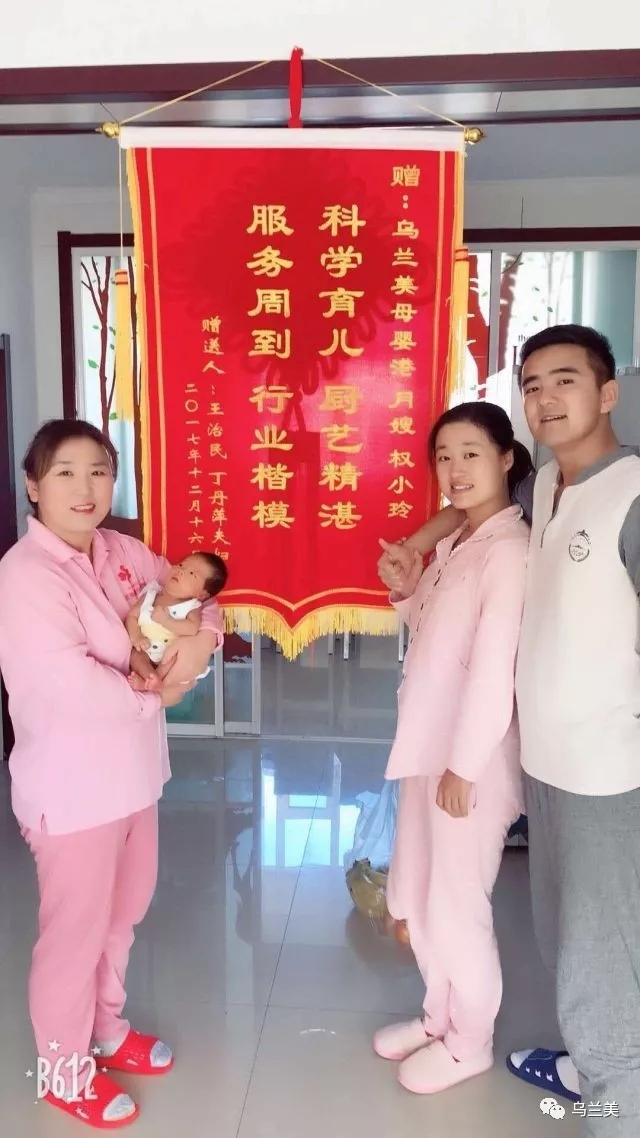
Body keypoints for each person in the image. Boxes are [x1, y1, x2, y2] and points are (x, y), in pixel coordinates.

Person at [379, 325, 640, 1135]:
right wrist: (413, 559)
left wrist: (466, 761)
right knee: (552, 927)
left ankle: (612, 1102)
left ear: (608, 392)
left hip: (596, 763)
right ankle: (522, 1040)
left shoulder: (623, 497)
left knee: (597, 941)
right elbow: (464, 531)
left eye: (566, 380)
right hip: (536, 756)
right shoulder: (545, 489)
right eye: (532, 385)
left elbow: (493, 664)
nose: (546, 398)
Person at [0, 419, 224, 1130]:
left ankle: (106, 1028)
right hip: (72, 792)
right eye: (64, 472)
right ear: (33, 485)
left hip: (134, 778)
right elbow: (66, 684)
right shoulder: (24, 575)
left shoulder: (122, 551)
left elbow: (200, 597)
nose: (85, 487)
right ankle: (63, 1072)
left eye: (98, 470)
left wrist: (194, 651)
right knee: (74, 935)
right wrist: (158, 692)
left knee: (122, 917)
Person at [373, 401, 531, 1095]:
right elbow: (438, 634)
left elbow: (496, 670)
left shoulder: (511, 551)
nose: (455, 468)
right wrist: (407, 592)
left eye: (471, 453)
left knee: (457, 904)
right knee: (419, 889)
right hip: (428, 746)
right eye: (444, 455)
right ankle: (439, 1015)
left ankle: (471, 1044)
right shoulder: (459, 542)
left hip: (472, 762)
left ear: (506, 459)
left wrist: (464, 767)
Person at [127, 551, 228, 691]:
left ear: (202, 594)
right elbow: (131, 617)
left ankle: (156, 682)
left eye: (191, 573)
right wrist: (136, 636)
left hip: (169, 654)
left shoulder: (191, 607)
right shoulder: (150, 595)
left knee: (174, 659)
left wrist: (166, 621)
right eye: (181, 565)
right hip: (146, 647)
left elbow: (192, 628)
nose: (181, 570)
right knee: (136, 656)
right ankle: (149, 679)